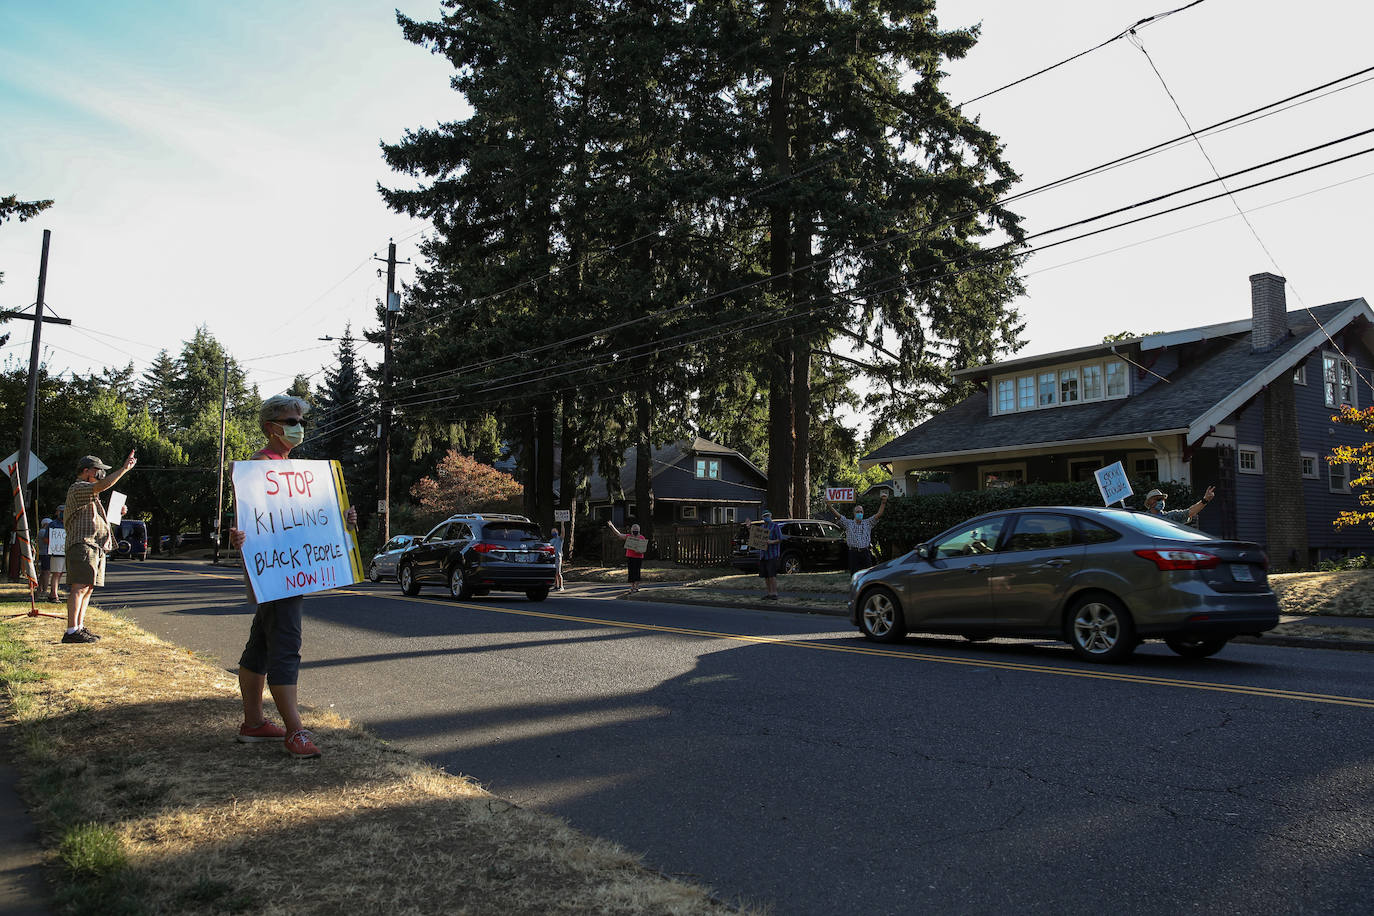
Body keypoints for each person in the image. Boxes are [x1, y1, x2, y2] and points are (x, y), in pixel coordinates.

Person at [228, 394, 356, 760]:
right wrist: (239, 536)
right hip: (278, 572)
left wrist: (342, 521)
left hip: (288, 570)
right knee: (286, 644)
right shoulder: (261, 466)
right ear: (271, 427)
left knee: (261, 645)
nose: (298, 427)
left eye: (300, 420)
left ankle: (254, 724)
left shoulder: (292, 469)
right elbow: (250, 521)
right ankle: (295, 730)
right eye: (291, 421)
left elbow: (309, 519)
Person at [63, 452, 137, 644]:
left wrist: (117, 512)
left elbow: (100, 519)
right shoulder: (78, 487)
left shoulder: (92, 496)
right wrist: (124, 469)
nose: (101, 474)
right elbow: (102, 486)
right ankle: (71, 631)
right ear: (86, 471)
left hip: (95, 546)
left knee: (88, 588)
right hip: (82, 543)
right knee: (79, 587)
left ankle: (79, 627)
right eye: (98, 470)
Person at [828, 491, 889, 572]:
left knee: (867, 574)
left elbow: (879, 514)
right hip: (853, 553)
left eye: (861, 512)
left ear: (863, 513)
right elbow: (838, 516)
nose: (859, 513)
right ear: (854, 513)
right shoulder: (848, 523)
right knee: (854, 574)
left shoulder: (868, 523)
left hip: (865, 552)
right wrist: (829, 506)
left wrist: (883, 503)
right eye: (857, 512)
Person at [605, 521, 645, 594]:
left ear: (639, 531)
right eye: (634, 530)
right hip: (630, 557)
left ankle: (637, 587)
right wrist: (612, 526)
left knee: (637, 571)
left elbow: (643, 549)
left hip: (638, 557)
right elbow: (619, 534)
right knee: (631, 572)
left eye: (636, 530)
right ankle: (632, 587)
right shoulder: (629, 537)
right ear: (631, 530)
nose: (635, 531)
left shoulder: (641, 537)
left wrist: (638, 550)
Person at [1143, 486, 1215, 526]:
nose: (1161, 501)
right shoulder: (1143, 520)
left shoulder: (1171, 516)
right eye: (1158, 499)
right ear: (1150, 502)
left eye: (1163, 499)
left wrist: (1205, 500)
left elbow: (1190, 512)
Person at [755, 510, 784, 600]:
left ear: (770, 516)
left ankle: (774, 593)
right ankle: (769, 593)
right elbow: (757, 538)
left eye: (767, 516)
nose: (766, 517)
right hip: (763, 554)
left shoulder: (775, 526)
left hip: (772, 554)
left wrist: (771, 542)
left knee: (772, 575)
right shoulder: (762, 527)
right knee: (766, 575)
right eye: (764, 516)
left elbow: (780, 538)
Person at [549, 526, 565, 592]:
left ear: (557, 532)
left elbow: (563, 533)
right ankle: (556, 586)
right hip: (553, 557)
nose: (554, 532)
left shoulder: (560, 539)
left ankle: (561, 586)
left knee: (558, 572)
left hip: (558, 557)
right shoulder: (551, 541)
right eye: (552, 532)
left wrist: (562, 524)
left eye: (555, 531)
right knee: (555, 573)